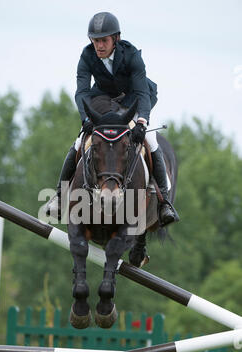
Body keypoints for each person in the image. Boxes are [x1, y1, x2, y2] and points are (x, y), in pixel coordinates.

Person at [46, 11, 179, 226]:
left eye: (104, 40)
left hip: (134, 100)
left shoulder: (132, 55)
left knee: (151, 142)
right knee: (80, 141)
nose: (99, 45)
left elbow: (143, 93)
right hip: (105, 102)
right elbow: (81, 92)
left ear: (115, 38)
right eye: (95, 40)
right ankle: (60, 196)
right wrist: (85, 119)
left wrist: (142, 121)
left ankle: (163, 202)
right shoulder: (87, 55)